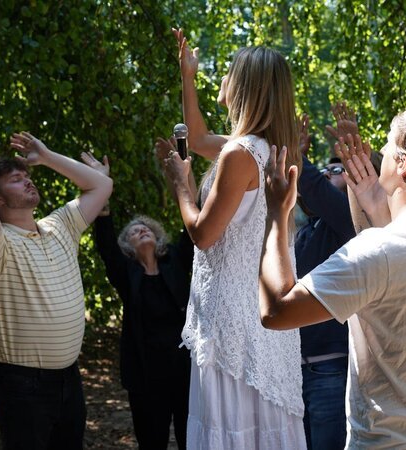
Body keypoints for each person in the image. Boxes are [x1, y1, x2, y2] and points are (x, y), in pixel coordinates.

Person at [258, 104, 406, 448]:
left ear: (403, 164)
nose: (377, 151)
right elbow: (404, 271)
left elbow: (277, 311)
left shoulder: (380, 251)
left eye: (387, 145)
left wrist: (276, 213)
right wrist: (373, 201)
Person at [162, 29, 306, 448]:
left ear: (246, 87)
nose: (223, 78)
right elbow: (200, 138)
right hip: (263, 316)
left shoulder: (240, 154)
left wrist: (182, 186)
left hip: (230, 327)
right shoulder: (268, 150)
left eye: (229, 72)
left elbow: (203, 235)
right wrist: (187, 77)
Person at [0, 133, 112, 449]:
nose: (28, 182)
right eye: (16, 180)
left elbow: (101, 185)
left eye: (27, 176)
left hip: (69, 379)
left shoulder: (61, 226)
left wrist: (46, 156)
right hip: (21, 385)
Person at [82, 150, 192, 450]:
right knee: (151, 442)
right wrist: (100, 184)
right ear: (128, 248)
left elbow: (191, 229)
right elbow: (104, 242)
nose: (141, 230)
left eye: (146, 228)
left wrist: (182, 178)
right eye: (133, 232)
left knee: (191, 440)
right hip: (146, 377)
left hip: (186, 372)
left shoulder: (178, 263)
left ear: (157, 239)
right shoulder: (126, 275)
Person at [293, 106, 380, 450]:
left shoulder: (350, 222)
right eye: (326, 167)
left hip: (331, 370)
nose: (329, 172)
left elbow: (313, 186)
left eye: (337, 168)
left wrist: (297, 153)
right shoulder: (306, 231)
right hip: (296, 368)